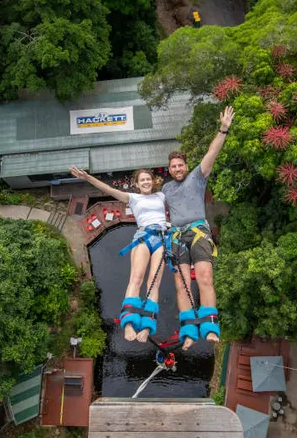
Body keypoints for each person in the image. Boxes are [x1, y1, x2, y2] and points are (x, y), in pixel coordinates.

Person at [163, 106, 234, 350]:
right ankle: (189, 329)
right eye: (173, 166)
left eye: (180, 165)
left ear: (186, 165)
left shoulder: (197, 176)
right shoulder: (166, 190)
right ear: (169, 169)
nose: (177, 169)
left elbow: (212, 153)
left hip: (198, 232)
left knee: (204, 277)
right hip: (177, 236)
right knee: (181, 285)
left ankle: (210, 326)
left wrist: (223, 129)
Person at [70, 166, 166, 343]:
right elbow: (108, 189)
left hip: (161, 239)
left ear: (153, 181)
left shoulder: (161, 195)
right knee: (136, 279)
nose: (146, 182)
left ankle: (146, 326)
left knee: (155, 283)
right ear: (137, 184)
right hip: (144, 237)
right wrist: (87, 178)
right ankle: (129, 323)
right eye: (142, 180)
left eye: (148, 179)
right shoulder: (133, 198)